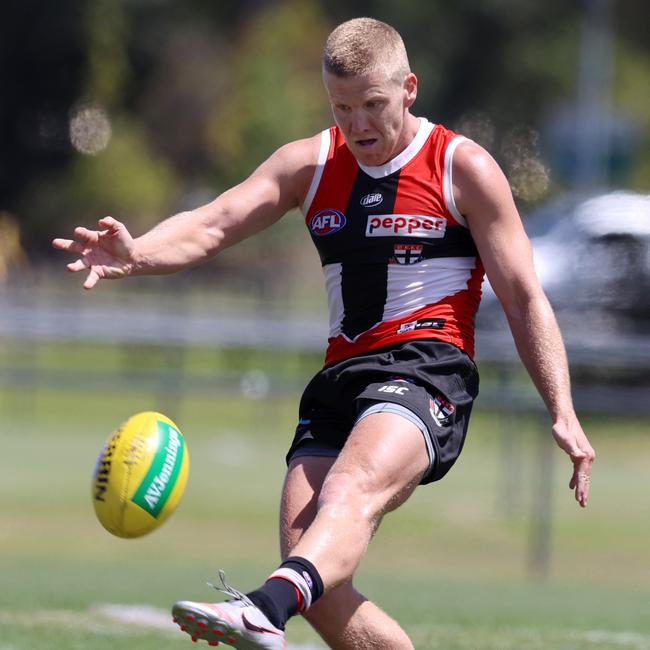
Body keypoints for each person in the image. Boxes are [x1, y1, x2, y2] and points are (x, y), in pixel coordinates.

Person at [53, 17, 595, 650]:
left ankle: (260, 610)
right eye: (343, 108)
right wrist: (137, 252)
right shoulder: (310, 164)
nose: (359, 125)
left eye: (373, 105)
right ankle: (279, 601)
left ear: (408, 89)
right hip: (341, 377)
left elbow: (525, 296)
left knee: (347, 490)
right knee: (315, 575)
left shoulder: (461, 167)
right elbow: (215, 222)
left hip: (427, 367)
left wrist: (562, 408)